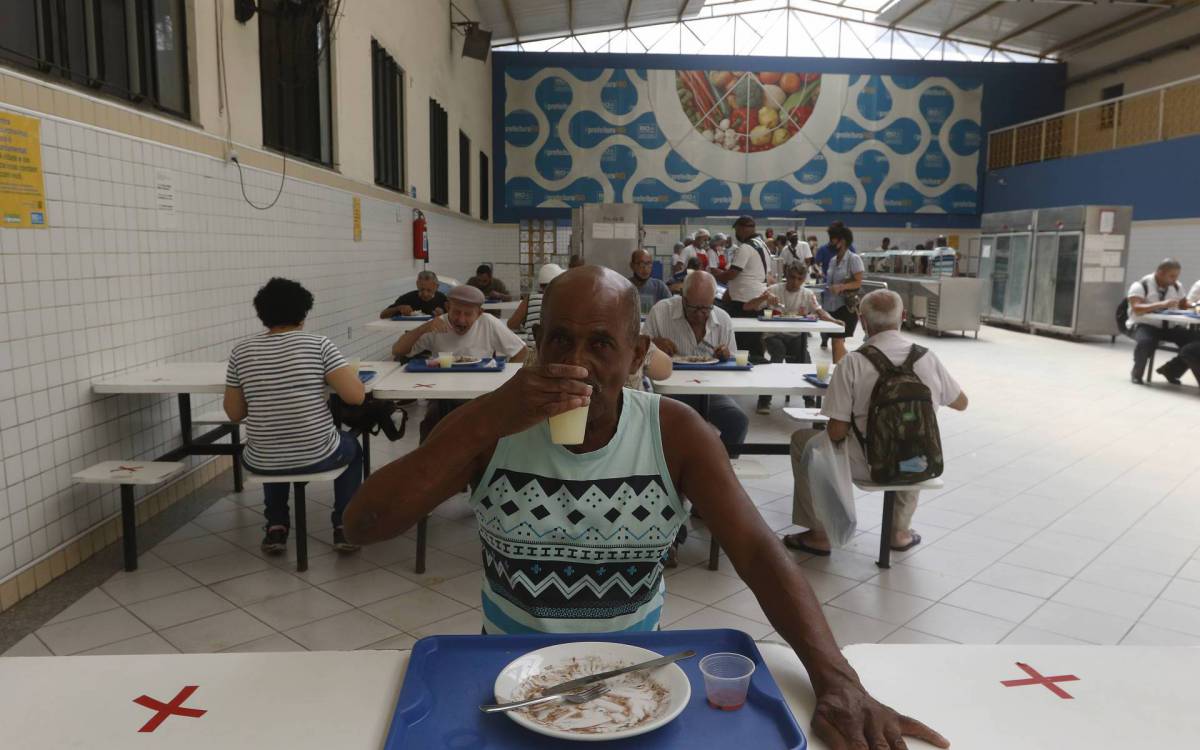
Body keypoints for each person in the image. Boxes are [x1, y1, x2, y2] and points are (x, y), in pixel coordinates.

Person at [344, 267, 950, 750]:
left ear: (636, 357)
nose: (576, 361)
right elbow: (364, 526)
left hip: (640, 680)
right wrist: (485, 416)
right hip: (511, 676)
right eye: (559, 339)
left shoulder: (674, 432)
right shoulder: (492, 430)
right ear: (535, 346)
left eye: (601, 344)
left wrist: (836, 680)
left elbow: (760, 553)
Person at [784, 289, 968, 557]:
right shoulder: (927, 357)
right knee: (913, 440)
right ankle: (899, 532)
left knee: (804, 441)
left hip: (866, 465)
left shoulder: (853, 363)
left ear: (863, 321)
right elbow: (961, 403)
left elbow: (836, 432)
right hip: (917, 465)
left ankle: (820, 533)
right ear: (903, 317)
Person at [223, 278, 366, 554]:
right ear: (303, 313)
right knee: (352, 447)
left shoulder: (241, 352)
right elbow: (355, 396)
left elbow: (234, 412)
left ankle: (276, 527)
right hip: (318, 453)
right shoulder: (319, 345)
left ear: (262, 314)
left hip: (261, 459)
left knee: (271, 445)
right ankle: (343, 527)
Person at [391, 285, 528, 439]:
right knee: (431, 426)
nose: (461, 319)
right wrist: (424, 328)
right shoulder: (437, 324)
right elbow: (398, 350)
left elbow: (521, 351)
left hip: (480, 395)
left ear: (479, 313)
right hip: (442, 395)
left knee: (484, 429)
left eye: (468, 314)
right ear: (448, 307)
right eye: (456, 312)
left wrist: (501, 384)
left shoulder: (488, 322)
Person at [646, 272, 748, 457]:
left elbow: (733, 363)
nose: (701, 315)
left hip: (709, 390)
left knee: (738, 421)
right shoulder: (661, 312)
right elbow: (639, 352)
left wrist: (726, 356)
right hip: (670, 389)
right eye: (694, 308)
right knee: (677, 425)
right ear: (683, 299)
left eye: (706, 308)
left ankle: (718, 467)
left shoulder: (722, 319)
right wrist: (653, 345)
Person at [756, 263, 841, 414]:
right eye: (792, 277)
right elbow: (750, 306)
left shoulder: (807, 294)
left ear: (803, 279)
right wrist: (764, 299)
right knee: (777, 355)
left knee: (804, 359)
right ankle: (764, 400)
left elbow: (820, 312)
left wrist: (834, 320)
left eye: (799, 279)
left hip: (796, 335)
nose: (795, 281)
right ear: (786, 276)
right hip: (773, 334)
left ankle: (810, 400)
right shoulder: (773, 290)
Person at [1128, 259, 1200, 385]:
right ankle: (1137, 373)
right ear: (1160, 273)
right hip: (1146, 325)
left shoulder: (1176, 286)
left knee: (1195, 342)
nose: (1175, 279)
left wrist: (1195, 305)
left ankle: (1171, 371)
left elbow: (1184, 304)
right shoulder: (1140, 285)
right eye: (1172, 276)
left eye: (1176, 276)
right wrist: (1161, 304)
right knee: (1145, 342)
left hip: (1170, 326)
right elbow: (1137, 308)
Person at [710, 215, 770, 362]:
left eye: (737, 230)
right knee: (754, 339)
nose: (736, 234)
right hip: (757, 298)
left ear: (743, 228)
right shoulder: (763, 245)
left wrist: (716, 274)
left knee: (742, 343)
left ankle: (745, 370)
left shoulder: (746, 247)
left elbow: (732, 274)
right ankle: (757, 367)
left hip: (744, 302)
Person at [822, 224, 865, 365]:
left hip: (844, 307)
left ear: (843, 241)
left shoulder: (854, 259)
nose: (830, 242)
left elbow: (858, 282)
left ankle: (840, 371)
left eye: (833, 239)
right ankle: (849, 367)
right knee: (837, 343)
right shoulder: (833, 260)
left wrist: (841, 287)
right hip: (831, 306)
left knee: (837, 342)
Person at [509, 263, 564, 346]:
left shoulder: (530, 298)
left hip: (534, 351)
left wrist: (525, 326)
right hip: (555, 351)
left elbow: (511, 324)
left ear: (540, 284)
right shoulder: (561, 299)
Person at [380, 270, 447, 318]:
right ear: (417, 285)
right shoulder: (408, 298)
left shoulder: (442, 299)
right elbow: (382, 315)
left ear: (436, 287)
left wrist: (444, 315)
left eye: (429, 290)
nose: (425, 294)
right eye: (422, 289)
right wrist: (398, 308)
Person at [630, 249, 672, 314]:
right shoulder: (625, 287)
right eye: (641, 264)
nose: (645, 268)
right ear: (632, 266)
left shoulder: (659, 287)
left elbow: (671, 309)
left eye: (648, 263)